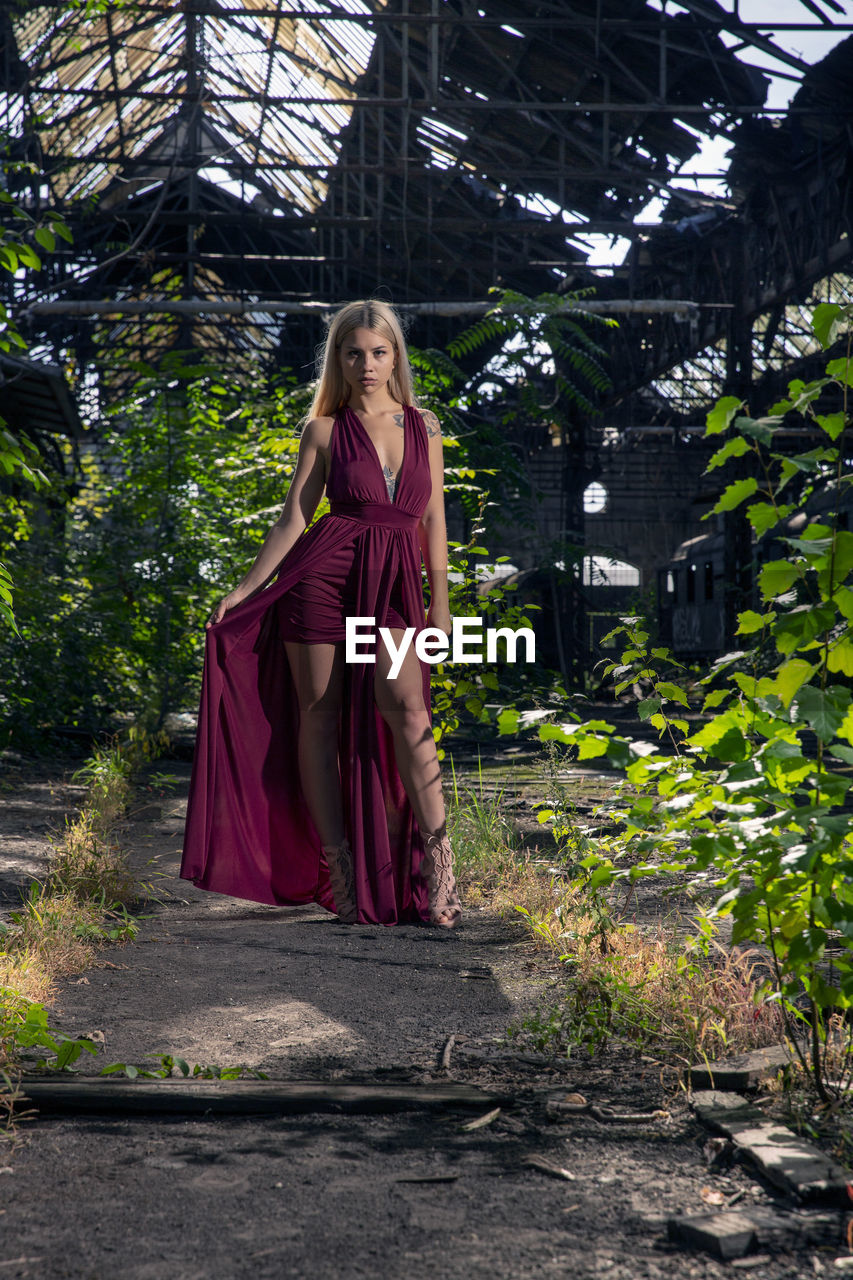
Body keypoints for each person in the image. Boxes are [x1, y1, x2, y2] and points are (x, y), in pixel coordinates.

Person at [180, 299, 462, 928]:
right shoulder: (325, 431)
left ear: (396, 357)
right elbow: (294, 518)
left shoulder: (426, 428)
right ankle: (341, 871)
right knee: (319, 717)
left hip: (393, 588)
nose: (366, 364)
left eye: (378, 352)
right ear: (338, 358)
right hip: (322, 579)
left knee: (407, 708)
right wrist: (247, 587)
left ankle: (439, 866)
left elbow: (434, 523)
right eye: (353, 352)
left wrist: (441, 605)